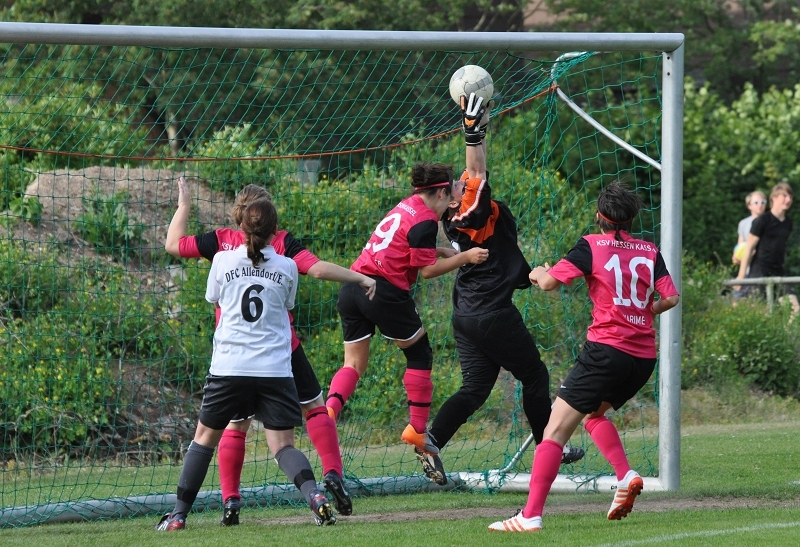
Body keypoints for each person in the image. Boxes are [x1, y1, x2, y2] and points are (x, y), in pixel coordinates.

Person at [164, 178, 376, 524]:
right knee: (306, 417)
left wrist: (184, 205)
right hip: (279, 353)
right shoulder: (284, 250)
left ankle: (222, 502)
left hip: (233, 356)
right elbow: (316, 269)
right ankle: (331, 476)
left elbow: (174, 245)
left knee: (229, 426)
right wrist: (358, 277)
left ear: (239, 218)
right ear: (272, 221)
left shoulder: (220, 247)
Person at [488, 182, 680, 532]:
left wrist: (536, 272)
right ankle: (625, 475)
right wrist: (645, 311)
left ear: (599, 217)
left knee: (553, 432)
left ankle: (530, 516)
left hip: (606, 351)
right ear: (633, 218)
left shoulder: (591, 245)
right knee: (592, 415)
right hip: (642, 358)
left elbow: (548, 284)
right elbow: (671, 298)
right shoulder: (650, 250)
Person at [416, 93, 584, 486]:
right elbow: (477, 169)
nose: (465, 180)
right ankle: (549, 450)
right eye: (458, 183)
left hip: (468, 314)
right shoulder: (467, 212)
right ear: (448, 195)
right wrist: (472, 131)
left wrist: (481, 129)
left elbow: (476, 182)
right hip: (491, 313)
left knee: (475, 389)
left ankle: (432, 443)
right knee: (536, 376)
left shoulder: (459, 217)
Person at [324, 159, 489, 457]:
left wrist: (439, 250)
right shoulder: (426, 220)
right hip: (382, 291)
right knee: (420, 353)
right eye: (453, 184)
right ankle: (416, 429)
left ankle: (330, 411)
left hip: (352, 286)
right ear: (441, 193)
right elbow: (426, 270)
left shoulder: (407, 205)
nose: (457, 188)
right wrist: (467, 257)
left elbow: (404, 246)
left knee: (353, 365)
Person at [734, 182, 798, 315]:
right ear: (774, 198)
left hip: (778, 271)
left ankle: (788, 336)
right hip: (760, 271)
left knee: (795, 310)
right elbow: (749, 248)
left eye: (790, 197)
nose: (788, 200)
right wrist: (741, 277)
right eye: (784, 196)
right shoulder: (762, 220)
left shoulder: (788, 223)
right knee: (760, 315)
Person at [732, 190, 766, 265]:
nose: (760, 205)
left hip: (764, 265)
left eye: (763, 202)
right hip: (748, 267)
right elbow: (740, 244)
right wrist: (736, 256)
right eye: (756, 202)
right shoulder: (743, 223)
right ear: (749, 205)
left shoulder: (770, 222)